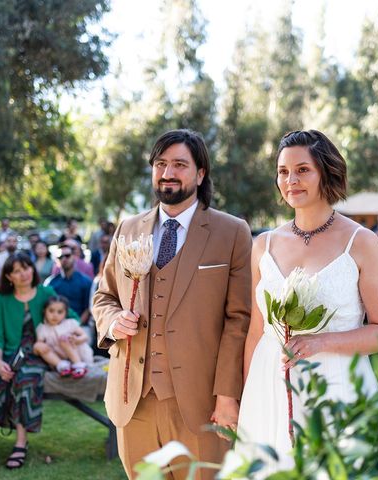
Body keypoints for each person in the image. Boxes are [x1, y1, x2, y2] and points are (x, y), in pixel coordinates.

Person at [237, 130, 378, 474]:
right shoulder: (263, 245)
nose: (290, 180)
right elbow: (256, 331)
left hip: (336, 384)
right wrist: (245, 397)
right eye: (282, 171)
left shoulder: (362, 242)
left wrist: (321, 341)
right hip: (269, 386)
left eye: (302, 170)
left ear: (326, 172)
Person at [93, 128, 252, 480]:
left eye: (179, 164)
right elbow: (104, 295)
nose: (167, 173)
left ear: (200, 173)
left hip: (202, 402)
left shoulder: (233, 232)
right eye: (160, 163)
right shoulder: (128, 229)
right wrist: (112, 320)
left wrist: (228, 395)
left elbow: (238, 320)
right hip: (132, 399)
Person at [0, 252, 77, 473]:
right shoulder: (2, 299)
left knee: (26, 378)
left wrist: (68, 336)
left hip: (37, 354)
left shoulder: (46, 292)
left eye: (26, 267)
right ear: (9, 276)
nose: (24, 273)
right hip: (6, 353)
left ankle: (20, 442)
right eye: (17, 270)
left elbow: (71, 316)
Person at [34, 295, 92, 378]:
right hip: (59, 357)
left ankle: (78, 365)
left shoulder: (70, 323)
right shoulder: (42, 328)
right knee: (39, 346)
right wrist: (38, 346)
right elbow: (39, 343)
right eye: (51, 311)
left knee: (64, 338)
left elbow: (85, 336)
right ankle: (62, 365)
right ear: (44, 311)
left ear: (65, 313)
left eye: (60, 312)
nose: (55, 315)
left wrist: (77, 339)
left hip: (78, 354)